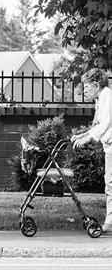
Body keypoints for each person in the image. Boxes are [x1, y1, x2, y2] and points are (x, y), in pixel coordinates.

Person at [71, 68, 112, 234]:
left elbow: (106, 123)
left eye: (87, 86)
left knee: (111, 184)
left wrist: (87, 139)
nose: (85, 90)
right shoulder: (100, 98)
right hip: (109, 146)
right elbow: (97, 126)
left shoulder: (107, 94)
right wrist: (82, 135)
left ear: (96, 84)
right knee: (110, 184)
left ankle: (110, 222)